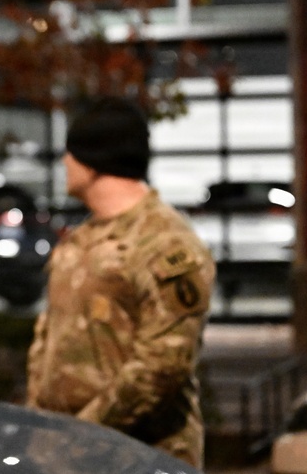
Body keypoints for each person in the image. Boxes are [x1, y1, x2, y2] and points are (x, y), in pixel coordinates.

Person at [25, 96, 215, 468]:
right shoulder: (80, 241)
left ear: (98, 159)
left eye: (72, 152)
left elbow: (163, 366)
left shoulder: (166, 244)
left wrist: (83, 433)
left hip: (139, 457)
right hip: (67, 456)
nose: (64, 162)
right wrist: (42, 429)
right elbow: (48, 339)